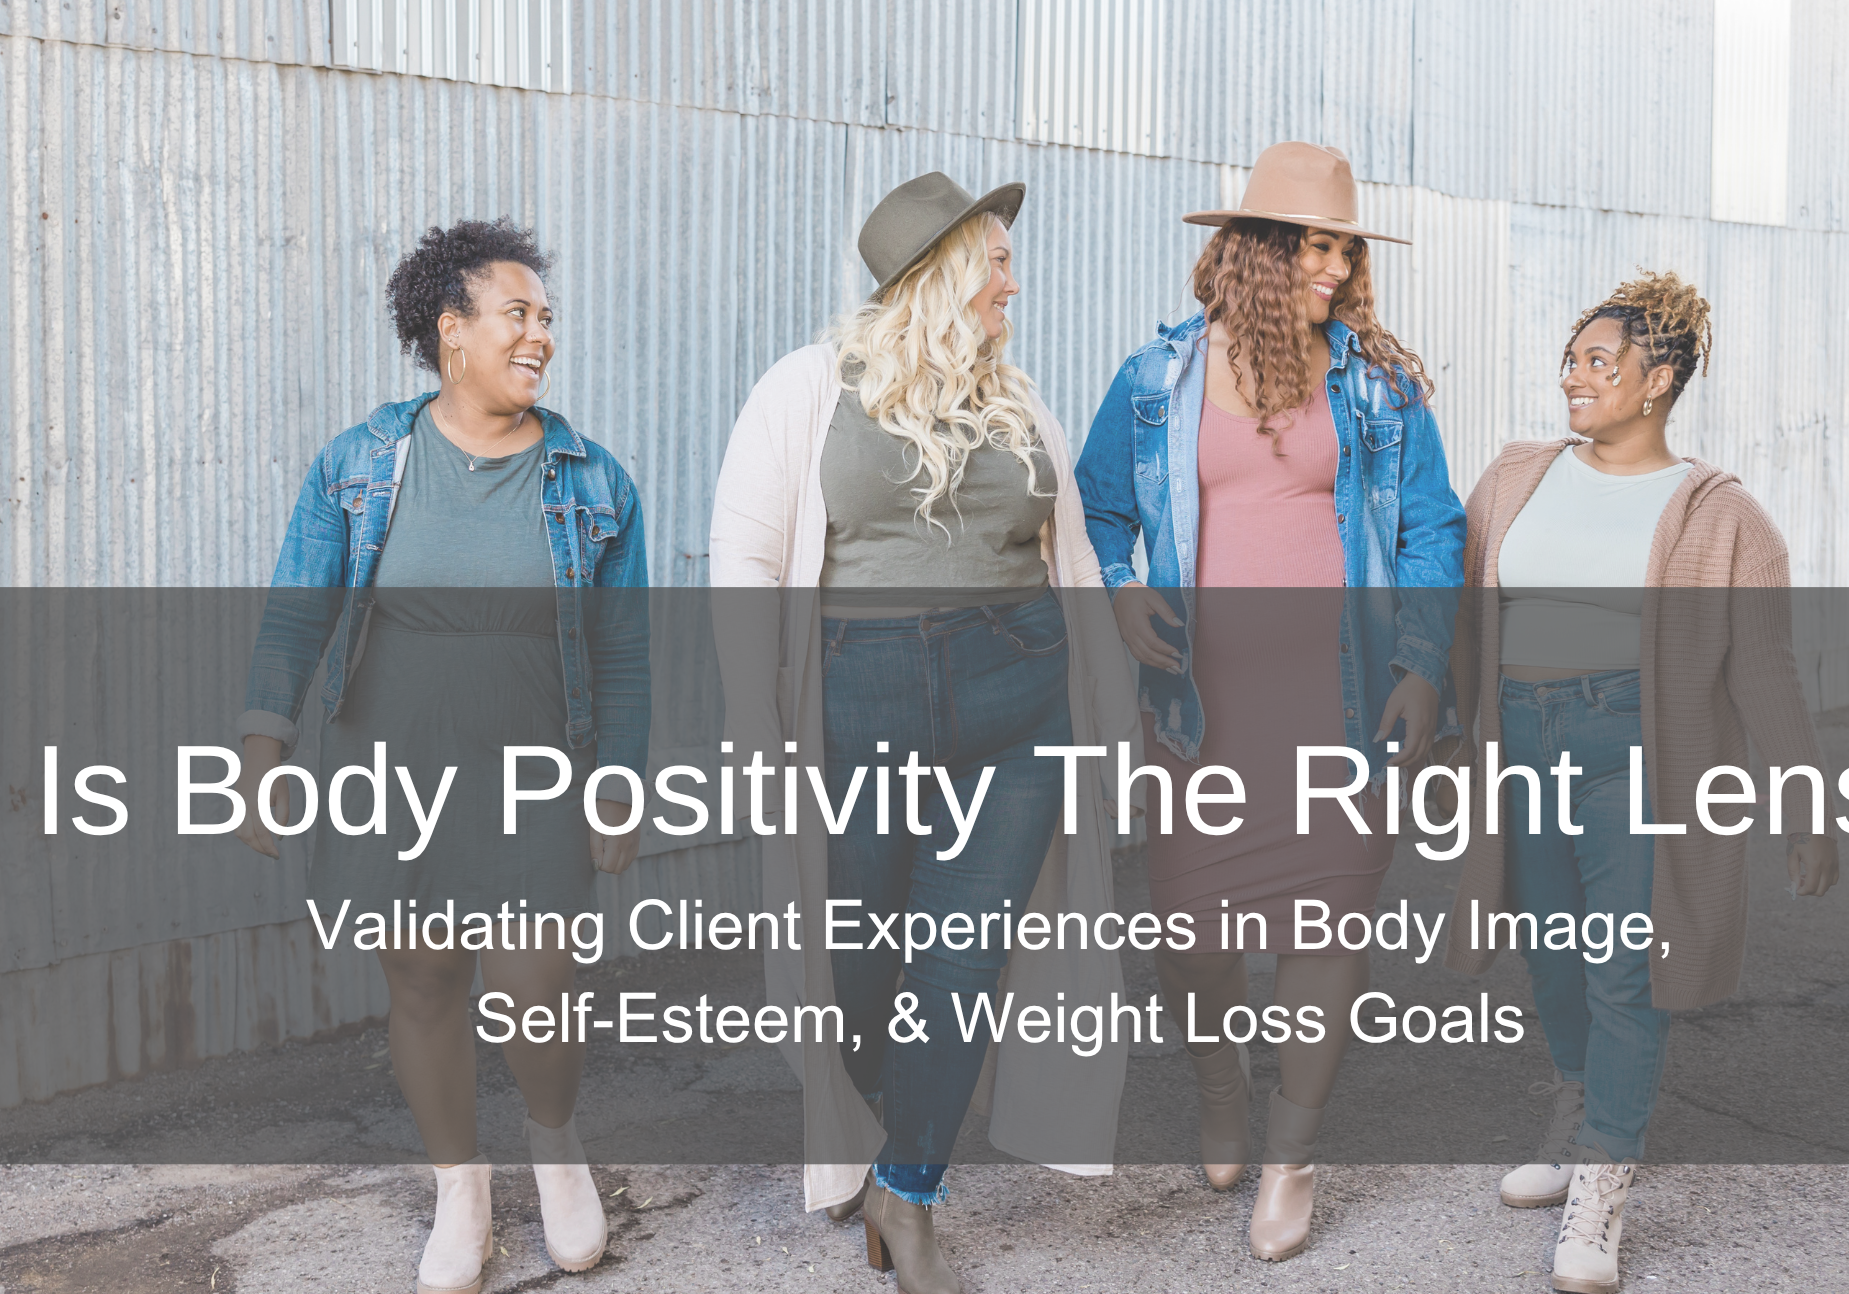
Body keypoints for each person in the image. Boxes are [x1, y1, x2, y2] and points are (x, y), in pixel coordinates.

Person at [709, 172, 1138, 1294]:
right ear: (940, 272)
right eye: (994, 261)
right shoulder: (808, 388)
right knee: (856, 973)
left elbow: (1075, 562)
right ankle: (868, 1119)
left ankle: (908, 1192)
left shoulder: (1018, 401)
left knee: (963, 956)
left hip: (1021, 703)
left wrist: (1113, 720)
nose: (1011, 281)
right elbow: (746, 559)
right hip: (859, 704)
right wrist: (757, 727)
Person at [232, 219, 648, 1294]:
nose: (540, 335)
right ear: (449, 329)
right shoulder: (363, 462)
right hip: (393, 755)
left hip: (534, 768)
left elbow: (625, 650)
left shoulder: (593, 481)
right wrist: (263, 740)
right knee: (420, 976)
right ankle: (459, 1187)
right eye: (517, 313)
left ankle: (554, 1148)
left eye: (546, 318)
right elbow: (296, 609)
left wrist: (621, 777)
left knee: (531, 982)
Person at [1074, 141, 1466, 1262]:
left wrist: (1422, 666)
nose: (1333, 268)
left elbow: (1433, 527)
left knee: (1324, 925)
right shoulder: (1158, 380)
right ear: (1252, 249)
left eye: (1343, 246)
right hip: (1201, 709)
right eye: (1311, 244)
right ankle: (1216, 1080)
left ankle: (1291, 1153)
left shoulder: (1374, 385)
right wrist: (1120, 589)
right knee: (1189, 928)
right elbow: (1099, 511)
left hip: (1343, 705)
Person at [1443, 271, 1839, 1294]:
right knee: (1551, 953)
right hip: (1519, 740)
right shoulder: (1512, 477)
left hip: (1635, 750)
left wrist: (1803, 804)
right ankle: (1576, 1112)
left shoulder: (1719, 516)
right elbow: (1461, 620)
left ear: (1656, 378)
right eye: (1569, 359)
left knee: (1623, 966)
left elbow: (1761, 668)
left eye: (1596, 361)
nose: (1571, 377)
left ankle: (1602, 1182)